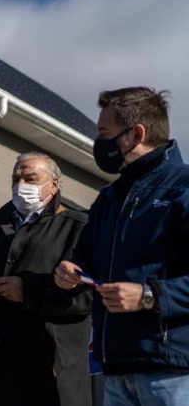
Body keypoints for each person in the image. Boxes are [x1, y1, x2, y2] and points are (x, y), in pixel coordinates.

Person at [55, 87, 189, 405]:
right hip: (115, 371)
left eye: (104, 132)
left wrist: (148, 296)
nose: (98, 143)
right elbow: (84, 260)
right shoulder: (109, 198)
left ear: (136, 134)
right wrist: (70, 274)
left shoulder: (182, 189)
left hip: (172, 374)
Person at [0, 152, 91, 406]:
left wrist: (30, 290)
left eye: (31, 178)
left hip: (51, 374)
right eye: (16, 179)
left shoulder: (79, 228)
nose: (21, 185)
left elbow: (88, 296)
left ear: (54, 184)